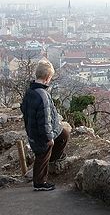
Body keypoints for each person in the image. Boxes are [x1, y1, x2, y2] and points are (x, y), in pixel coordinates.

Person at [20, 60, 69, 191]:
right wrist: (49, 138)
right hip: (42, 133)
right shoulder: (43, 96)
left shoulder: (30, 91)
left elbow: (23, 108)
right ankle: (40, 182)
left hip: (33, 130)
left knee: (63, 134)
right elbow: (45, 121)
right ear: (48, 78)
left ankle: (53, 159)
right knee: (42, 155)